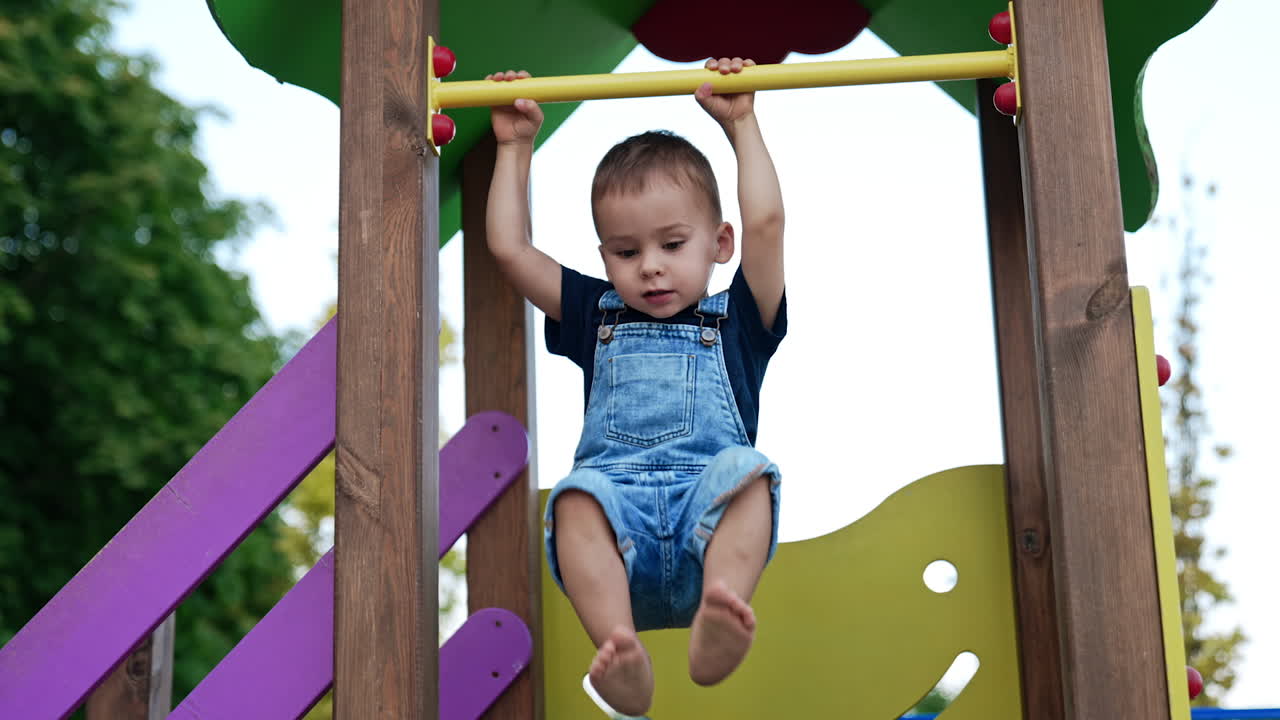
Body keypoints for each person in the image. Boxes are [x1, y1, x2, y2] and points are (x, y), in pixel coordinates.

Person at [485, 57, 786, 717]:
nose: (649, 266)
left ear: (719, 242)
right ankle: (620, 651)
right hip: (617, 552)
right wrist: (514, 148)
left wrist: (743, 125)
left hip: (706, 540)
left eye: (672, 244)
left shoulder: (738, 322)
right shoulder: (596, 314)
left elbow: (768, 224)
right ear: (604, 260)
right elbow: (511, 251)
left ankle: (722, 614)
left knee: (749, 472)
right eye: (625, 253)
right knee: (575, 497)